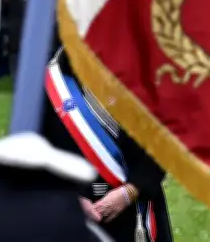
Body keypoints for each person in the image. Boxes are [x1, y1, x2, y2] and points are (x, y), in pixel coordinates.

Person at [42, 41, 173, 242]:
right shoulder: (50, 84)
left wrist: (131, 191)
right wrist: (70, 198)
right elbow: (38, 153)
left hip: (137, 213)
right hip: (72, 217)